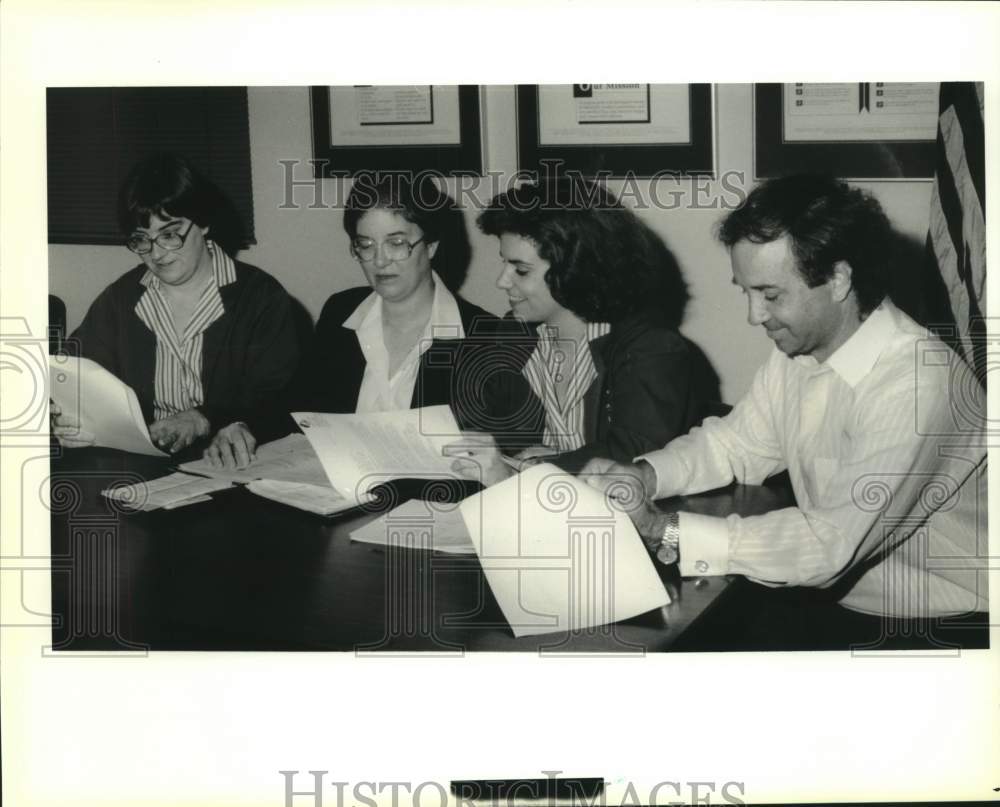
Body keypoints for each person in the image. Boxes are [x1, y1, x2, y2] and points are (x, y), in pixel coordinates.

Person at [583, 174, 988, 647]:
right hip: (844, 605)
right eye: (746, 292)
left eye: (771, 295)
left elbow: (826, 544)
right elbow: (735, 444)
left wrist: (664, 529)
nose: (754, 316)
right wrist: (645, 475)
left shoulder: (918, 382)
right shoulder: (798, 353)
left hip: (947, 628)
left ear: (838, 279)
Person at [206, 172, 503, 468]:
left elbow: (496, 448)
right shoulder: (341, 312)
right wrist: (245, 426)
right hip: (338, 501)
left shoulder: (483, 335)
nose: (380, 260)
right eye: (365, 244)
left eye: (397, 242)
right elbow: (296, 402)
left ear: (431, 246)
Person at [447, 180, 714, 485]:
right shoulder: (512, 336)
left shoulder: (652, 349)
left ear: (574, 269)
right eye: (504, 263)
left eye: (521, 270)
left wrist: (532, 467)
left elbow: (636, 454)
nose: (502, 281)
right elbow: (476, 427)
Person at [52, 152, 299, 456]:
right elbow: (73, 374)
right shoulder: (122, 298)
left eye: (169, 234)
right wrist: (69, 419)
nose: (156, 254)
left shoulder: (261, 298)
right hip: (144, 465)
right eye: (141, 239)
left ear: (204, 222)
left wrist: (206, 417)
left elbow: (283, 400)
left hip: (229, 465)